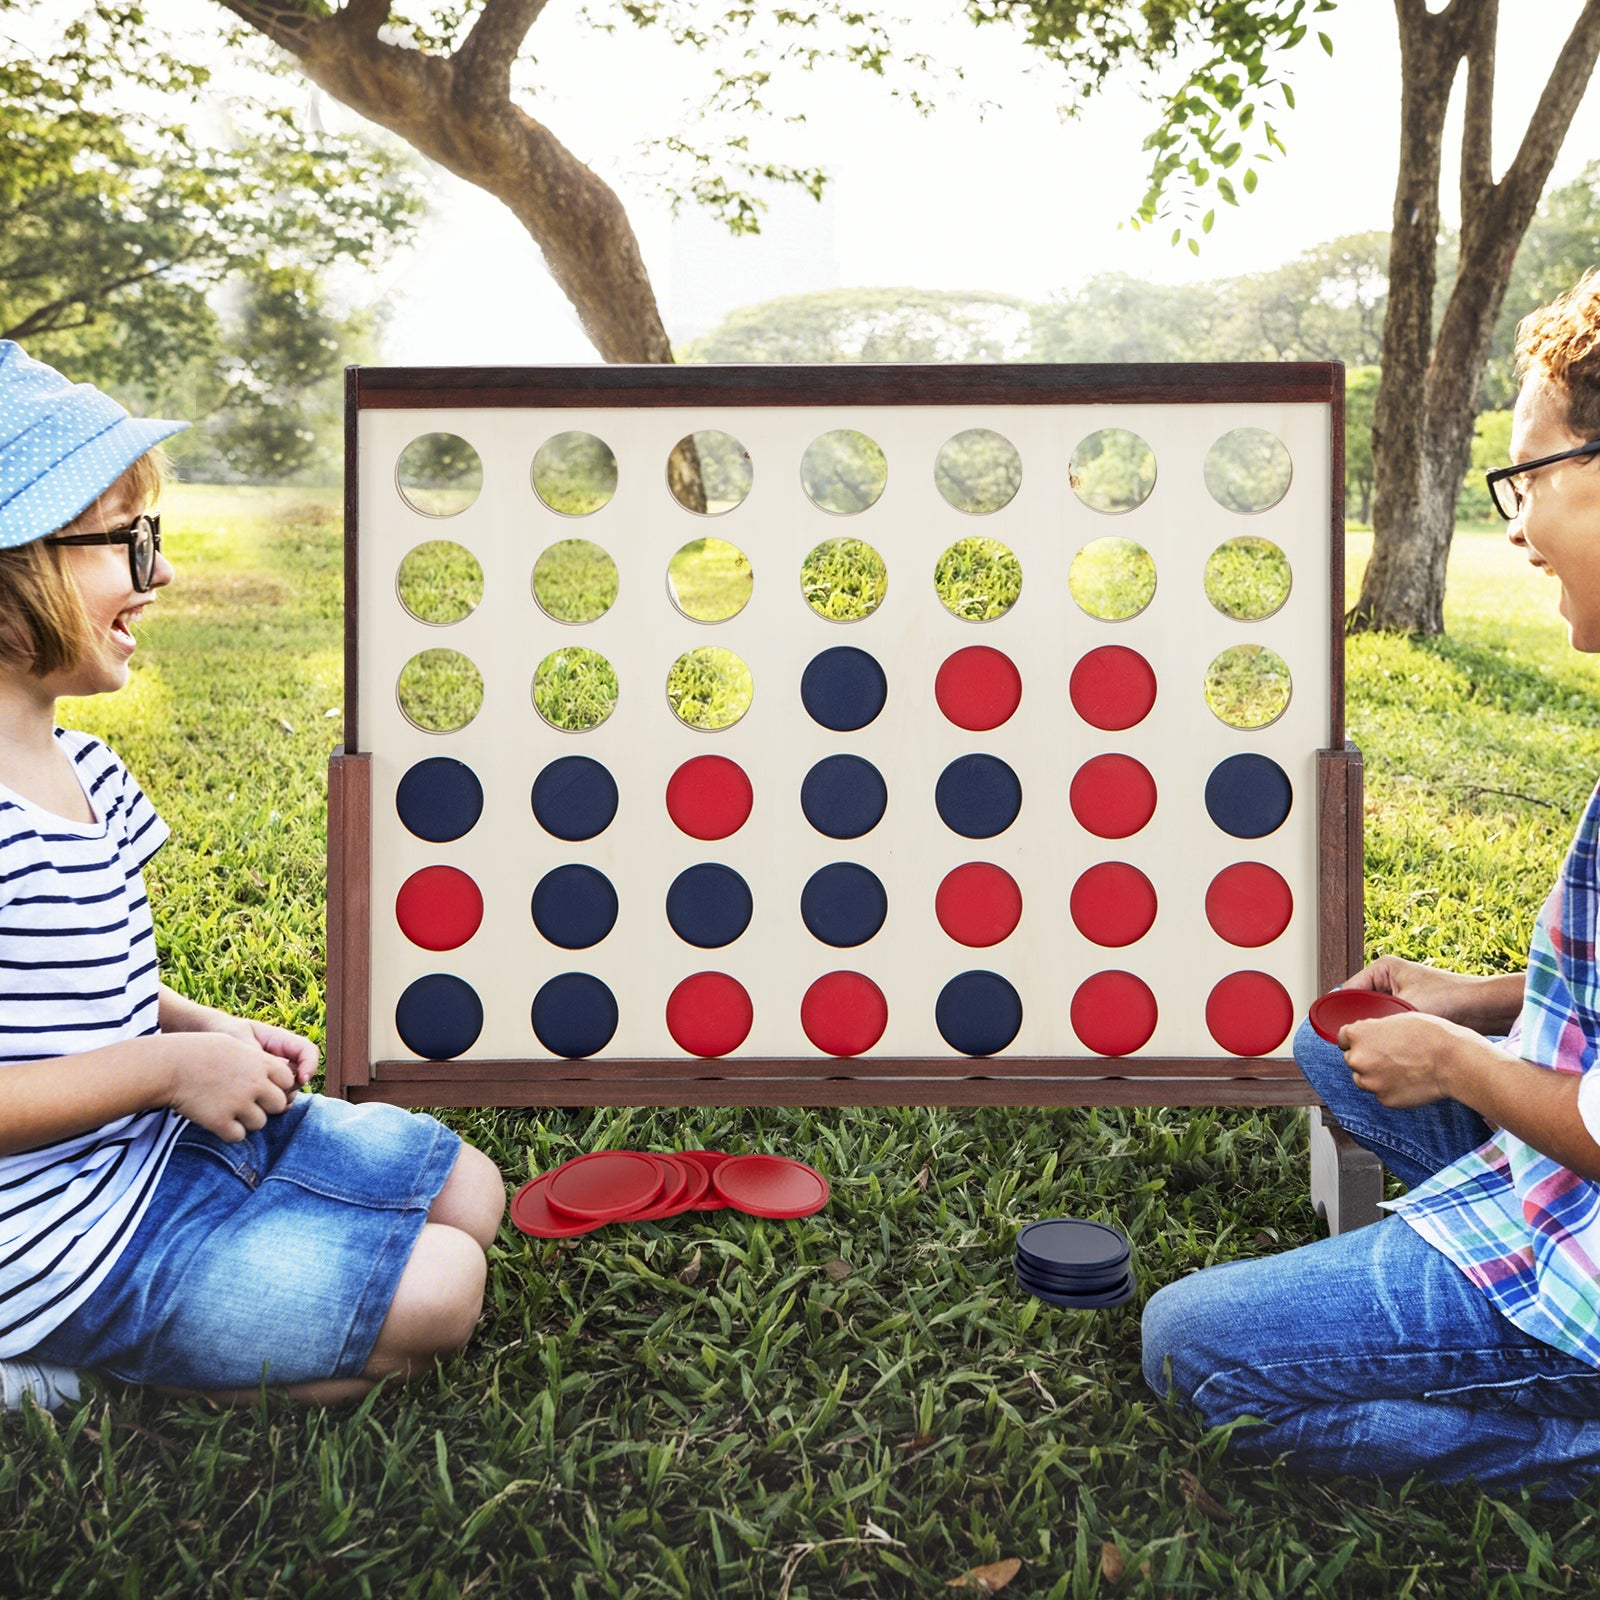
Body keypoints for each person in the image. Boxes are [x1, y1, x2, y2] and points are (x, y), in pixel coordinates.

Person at [1142, 271, 1600, 1496]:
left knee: (1195, 1350)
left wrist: (1455, 1065)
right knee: (1336, 1040)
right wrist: (1476, 1001)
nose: (1511, 525)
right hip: (1566, 1174)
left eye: (1528, 476)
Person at [0, 341, 505, 1412]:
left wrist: (201, 1032)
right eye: (127, 542)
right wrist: (165, 1072)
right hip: (56, 1248)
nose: (163, 573)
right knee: (443, 1292)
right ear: (16, 567)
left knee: (473, 1191)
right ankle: (71, 1372)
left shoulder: (87, 768)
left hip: (154, 1145)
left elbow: (86, 992)